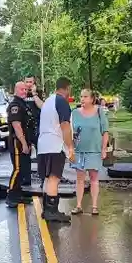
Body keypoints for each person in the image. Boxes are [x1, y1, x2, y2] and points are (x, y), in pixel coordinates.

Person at [38, 77, 76, 223]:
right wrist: (70, 147)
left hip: (43, 144)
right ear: (67, 88)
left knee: (47, 178)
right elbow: (65, 126)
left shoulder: (48, 101)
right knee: (54, 177)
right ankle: (52, 211)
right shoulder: (61, 102)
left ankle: (46, 210)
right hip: (55, 144)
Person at [70, 88, 109, 216]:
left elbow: (105, 132)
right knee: (80, 179)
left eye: (85, 97)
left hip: (94, 151)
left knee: (94, 178)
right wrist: (70, 148)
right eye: (81, 96)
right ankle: (79, 205)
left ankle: (94, 206)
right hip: (79, 151)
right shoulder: (74, 113)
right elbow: (69, 131)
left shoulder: (99, 112)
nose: (82, 99)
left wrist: (104, 149)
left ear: (92, 99)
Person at [6, 81, 35, 208]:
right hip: (17, 141)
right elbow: (17, 126)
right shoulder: (15, 105)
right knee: (17, 169)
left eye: (25, 89)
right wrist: (23, 143)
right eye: (22, 89)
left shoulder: (24, 104)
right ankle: (11, 195)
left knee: (23, 169)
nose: (24, 91)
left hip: (25, 140)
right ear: (16, 90)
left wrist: (29, 142)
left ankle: (18, 195)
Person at [23, 75, 43, 186]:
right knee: (25, 153)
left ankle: (42, 178)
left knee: (40, 153)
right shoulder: (22, 92)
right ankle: (26, 179)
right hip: (26, 126)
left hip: (37, 125)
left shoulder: (38, 92)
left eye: (31, 82)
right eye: (27, 82)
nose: (29, 84)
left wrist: (34, 94)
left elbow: (42, 106)